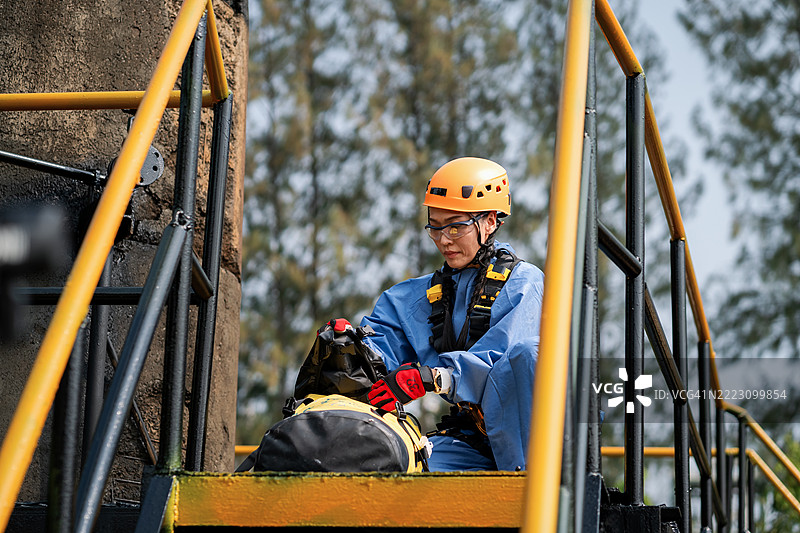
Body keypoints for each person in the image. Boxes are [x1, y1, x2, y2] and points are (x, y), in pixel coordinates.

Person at [359, 157, 543, 471]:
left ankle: (536, 487)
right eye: (435, 226)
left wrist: (435, 378)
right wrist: (349, 351)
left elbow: (505, 362)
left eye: (456, 226)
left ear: (490, 221)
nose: (444, 239)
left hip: (531, 441)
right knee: (400, 468)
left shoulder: (525, 284)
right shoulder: (419, 296)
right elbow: (379, 346)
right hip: (471, 440)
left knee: (529, 354)